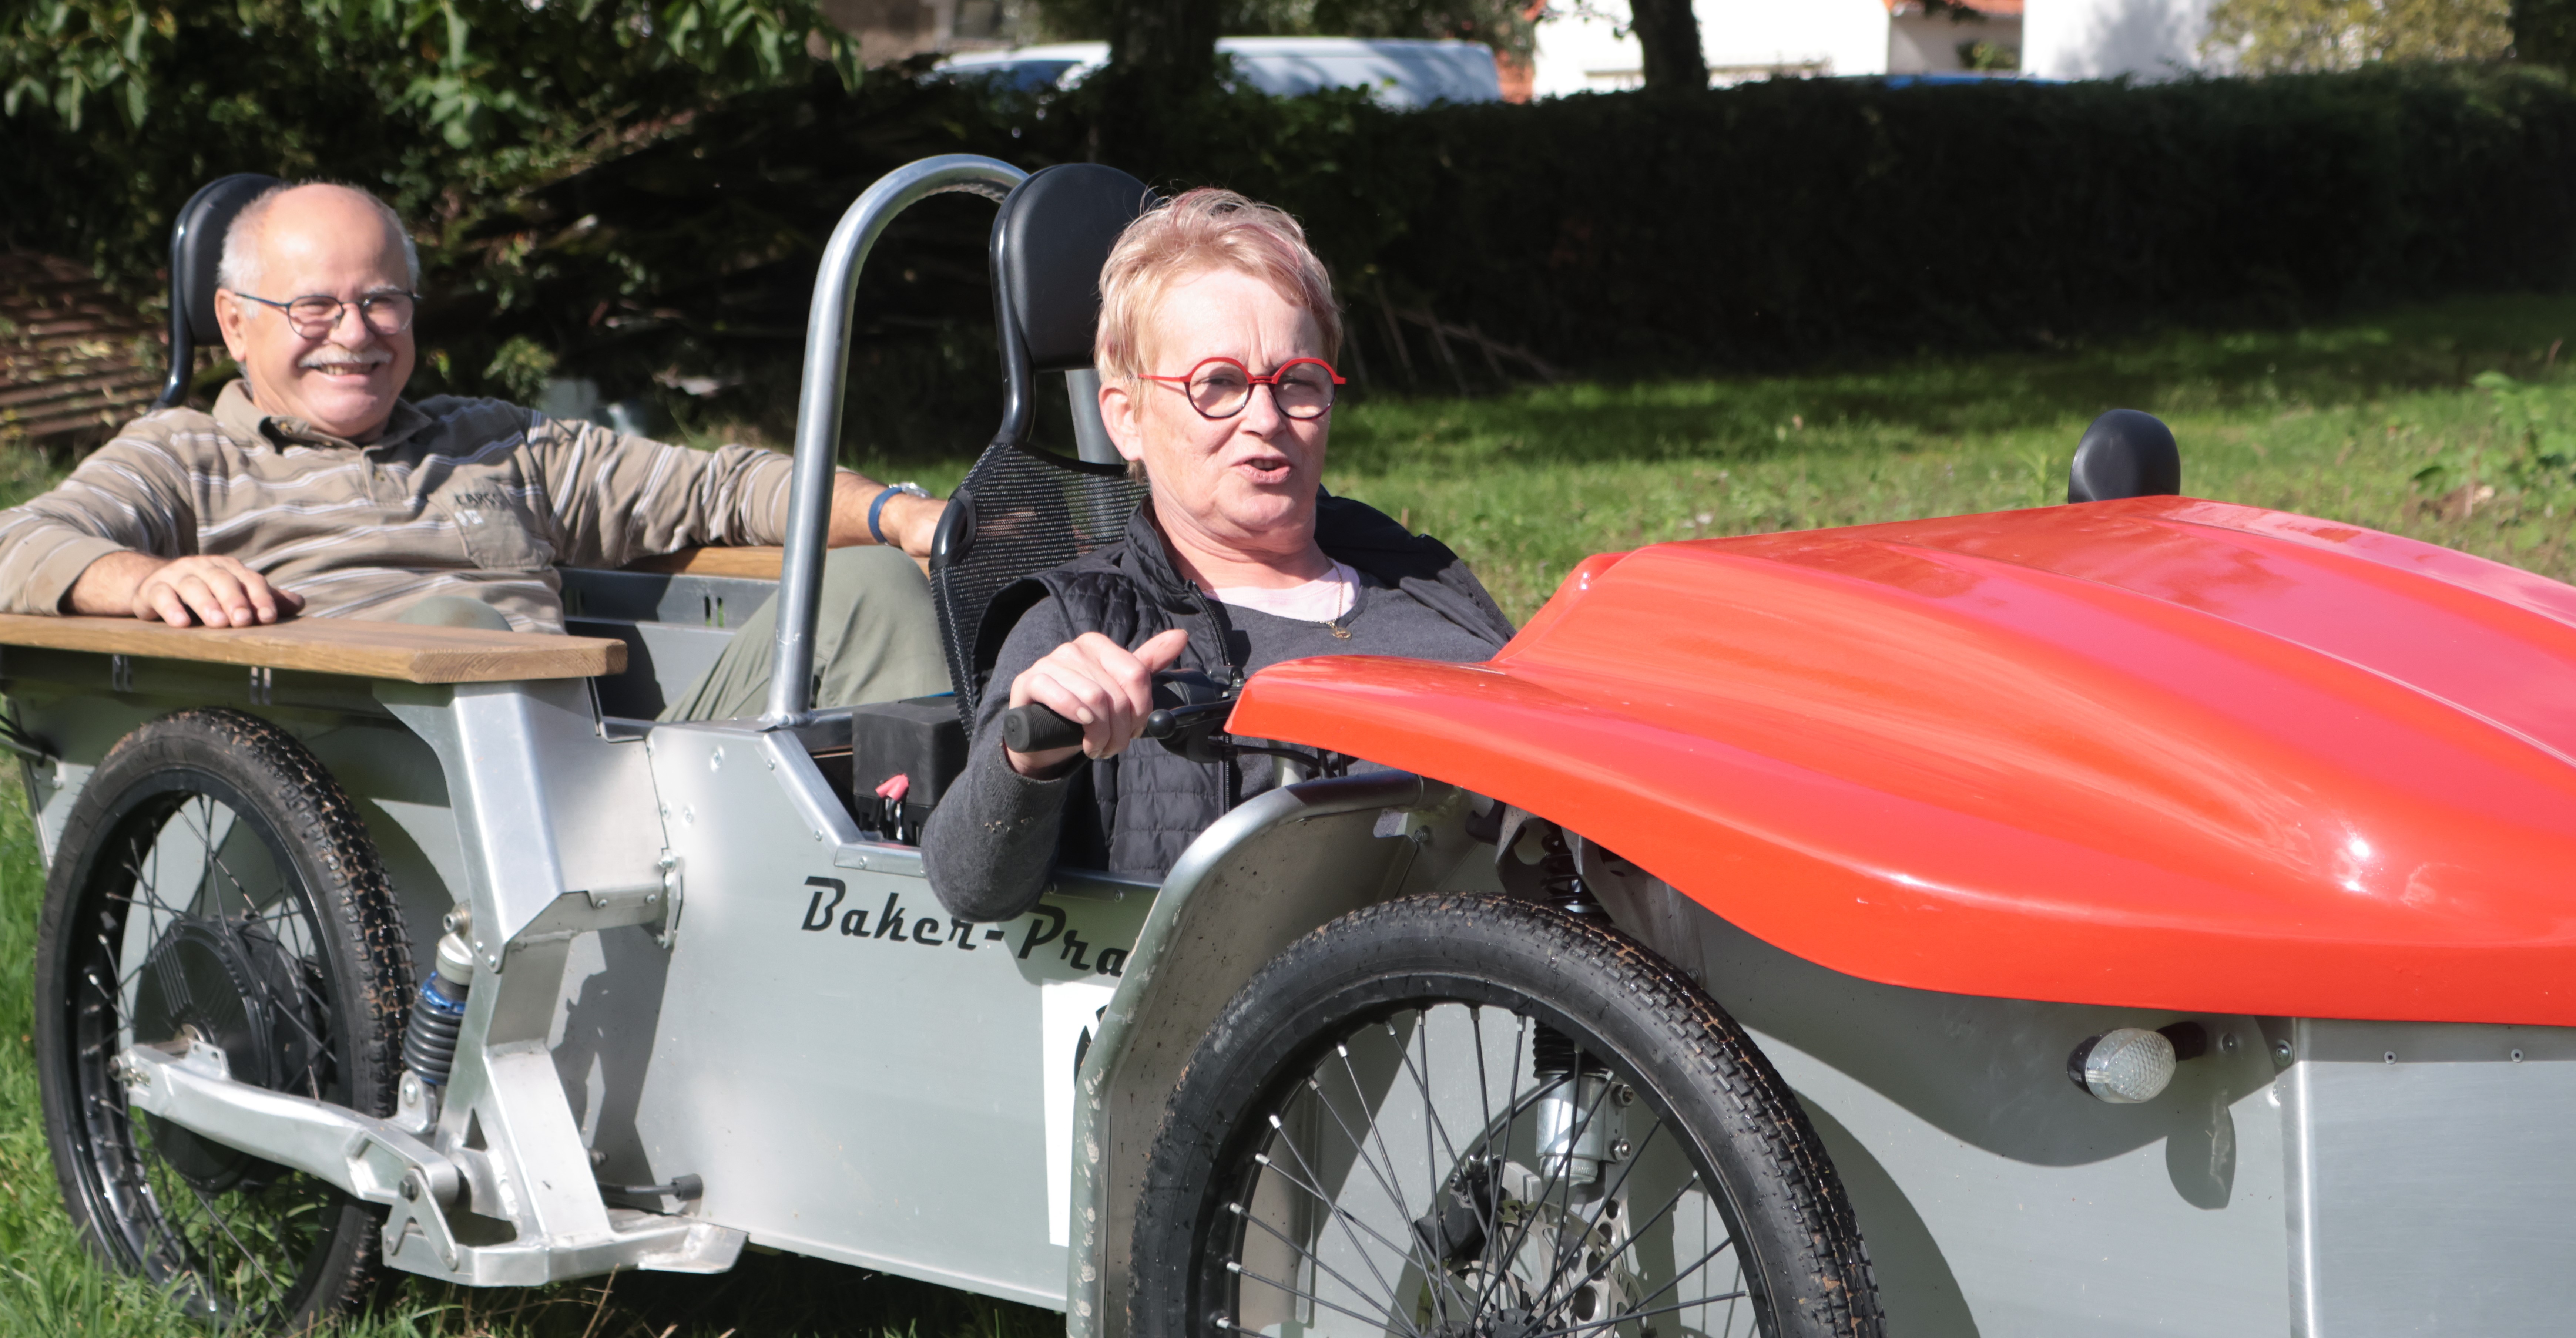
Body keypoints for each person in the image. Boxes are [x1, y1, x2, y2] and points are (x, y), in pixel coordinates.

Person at [0, 181, 949, 719]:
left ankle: (929, 908)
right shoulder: (185, 456)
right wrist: (144, 579)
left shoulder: (499, 441)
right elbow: (17, 541)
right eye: (315, 306)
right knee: (459, 624)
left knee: (874, 587)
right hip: (368, 814)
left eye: (382, 301)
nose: (355, 333)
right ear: (235, 322)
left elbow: (721, 486)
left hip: (610, 776)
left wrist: (898, 515)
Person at [922, 189, 1515, 922]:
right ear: (1128, 419)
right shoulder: (1087, 627)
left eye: (1296, 382)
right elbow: (971, 885)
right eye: (1220, 385)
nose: (1267, 418)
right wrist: (1028, 758)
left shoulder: (1419, 574)